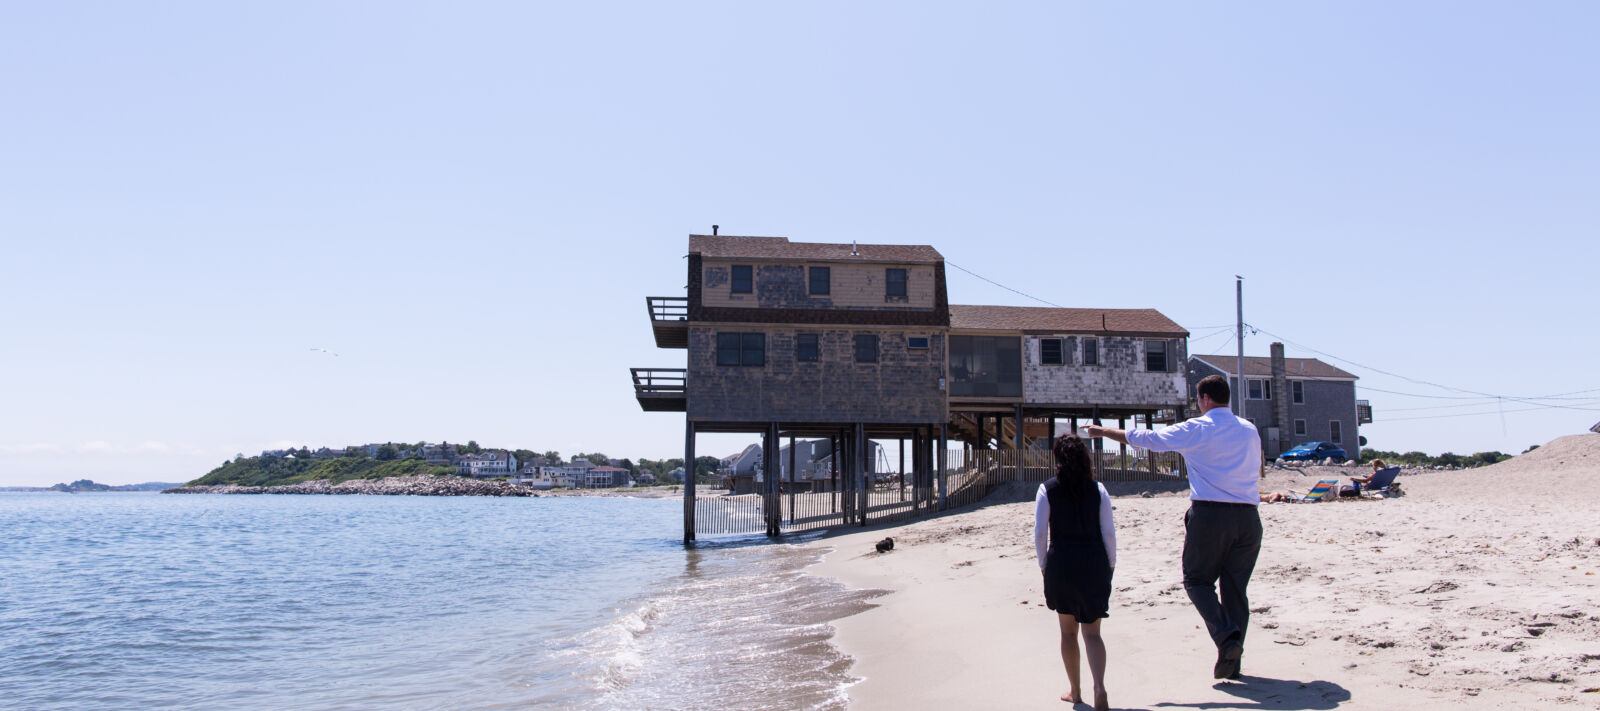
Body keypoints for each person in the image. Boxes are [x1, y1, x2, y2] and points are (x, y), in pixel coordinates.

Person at [1083, 374, 1263, 680]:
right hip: (1249, 517)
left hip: (1211, 513)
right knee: (1235, 590)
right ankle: (1232, 661)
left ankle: (1227, 638)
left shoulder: (1199, 427)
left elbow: (1148, 440)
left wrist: (1102, 431)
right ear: (1227, 397)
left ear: (1204, 399)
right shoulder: (1249, 429)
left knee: (1197, 581)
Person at [1034, 434, 1115, 711]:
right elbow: (1108, 532)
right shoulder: (1098, 490)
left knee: (1068, 633)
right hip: (1094, 562)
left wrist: (1044, 566)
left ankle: (1076, 692)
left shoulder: (1047, 489)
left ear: (1057, 458)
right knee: (1093, 633)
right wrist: (1111, 565)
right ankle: (1100, 687)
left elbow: (1040, 533)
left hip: (1062, 565)